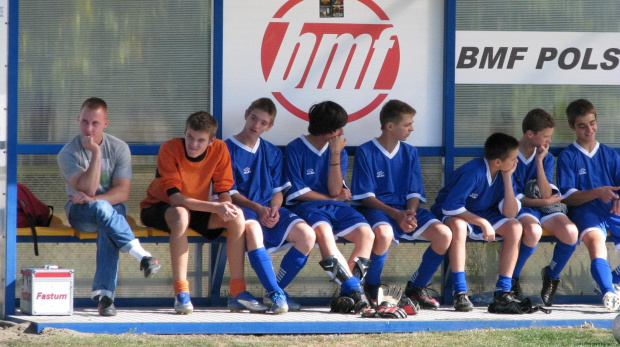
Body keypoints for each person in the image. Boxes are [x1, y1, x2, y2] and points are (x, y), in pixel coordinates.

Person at [140, 110, 285, 314]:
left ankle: (237, 293)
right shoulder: (169, 148)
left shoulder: (220, 149)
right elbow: (175, 198)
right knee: (181, 215)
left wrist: (225, 207)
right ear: (185, 132)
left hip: (197, 207)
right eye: (190, 137)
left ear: (211, 141)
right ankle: (181, 294)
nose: (193, 144)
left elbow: (223, 190)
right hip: (158, 207)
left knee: (236, 217)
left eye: (201, 140)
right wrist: (216, 206)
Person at [57, 97, 161, 317]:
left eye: (95, 123)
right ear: (78, 120)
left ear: (106, 123)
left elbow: (122, 192)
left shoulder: (120, 148)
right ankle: (142, 255)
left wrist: (95, 200)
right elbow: (89, 188)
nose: (89, 128)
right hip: (80, 212)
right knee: (107, 213)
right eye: (85, 122)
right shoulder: (67, 153)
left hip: (110, 210)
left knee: (108, 221)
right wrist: (96, 153)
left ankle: (105, 299)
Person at [351, 100, 451, 309]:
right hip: (379, 210)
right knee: (384, 234)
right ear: (390, 126)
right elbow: (365, 197)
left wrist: (410, 214)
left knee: (444, 234)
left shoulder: (410, 152)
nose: (411, 129)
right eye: (407, 124)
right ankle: (371, 287)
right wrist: (397, 215)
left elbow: (415, 191)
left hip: (404, 212)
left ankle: (416, 288)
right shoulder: (365, 151)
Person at [225, 98, 316, 311]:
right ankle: (276, 294)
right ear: (246, 114)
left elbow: (278, 191)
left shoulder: (272, 152)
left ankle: (275, 290)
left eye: (263, 123)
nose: (256, 125)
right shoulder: (226, 148)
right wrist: (258, 209)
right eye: (254, 118)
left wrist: (274, 208)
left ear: (270, 126)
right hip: (243, 210)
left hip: (268, 209)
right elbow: (230, 192)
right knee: (254, 229)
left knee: (308, 236)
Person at [284, 100, 375, 314]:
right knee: (323, 232)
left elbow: (335, 190)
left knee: (366, 234)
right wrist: (333, 199)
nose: (342, 132)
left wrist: (335, 155)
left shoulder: (338, 150)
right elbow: (300, 193)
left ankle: (348, 296)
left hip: (333, 206)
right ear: (325, 129)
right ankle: (356, 291)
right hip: (306, 208)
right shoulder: (295, 148)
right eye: (338, 127)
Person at [431, 132, 523, 311]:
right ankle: (460, 292)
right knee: (458, 227)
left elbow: (510, 213)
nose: (516, 162)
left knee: (515, 227)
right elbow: (450, 207)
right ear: (497, 161)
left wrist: (507, 177)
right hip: (454, 213)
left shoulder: (505, 173)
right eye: (513, 158)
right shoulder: (474, 171)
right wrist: (482, 222)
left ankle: (503, 291)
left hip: (483, 213)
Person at [557, 98, 620, 311]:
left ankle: (613, 279)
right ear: (572, 126)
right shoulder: (568, 156)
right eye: (582, 125)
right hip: (585, 212)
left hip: (611, 209)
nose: (589, 129)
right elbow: (567, 197)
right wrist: (597, 192)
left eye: (592, 123)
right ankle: (609, 293)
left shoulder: (610, 154)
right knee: (596, 242)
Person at [511, 108, 578, 306]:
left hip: (544, 206)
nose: (549, 141)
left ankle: (551, 275)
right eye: (546, 136)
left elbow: (547, 194)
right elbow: (518, 199)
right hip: (524, 207)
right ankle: (511, 279)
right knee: (532, 231)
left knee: (571, 232)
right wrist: (546, 202)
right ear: (529, 134)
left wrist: (539, 162)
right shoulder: (511, 154)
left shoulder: (546, 157)